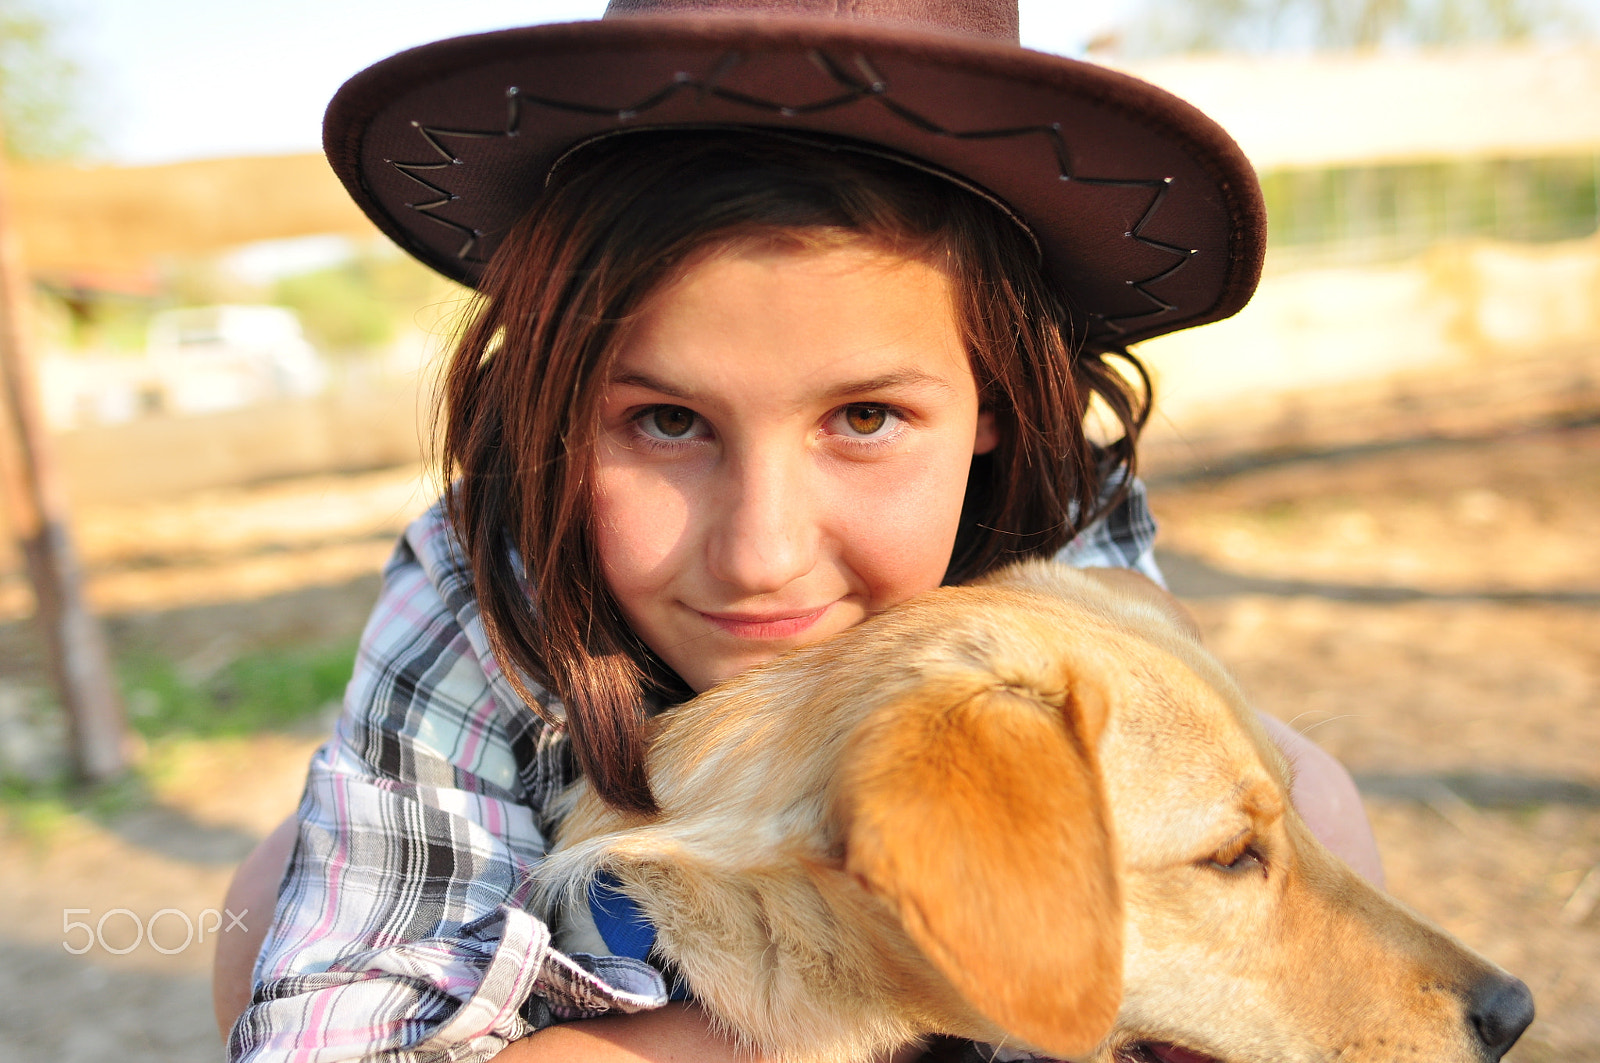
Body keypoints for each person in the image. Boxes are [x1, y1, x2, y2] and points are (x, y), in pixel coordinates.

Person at [216, 2, 1384, 1060]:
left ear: (995, 399)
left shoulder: (1052, 526)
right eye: (666, 420)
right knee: (274, 889)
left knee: (1297, 797)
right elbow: (335, 1037)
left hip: (1010, 1010)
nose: (760, 553)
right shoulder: (488, 584)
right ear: (556, 405)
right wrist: (822, 1012)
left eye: (865, 416)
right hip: (664, 1021)